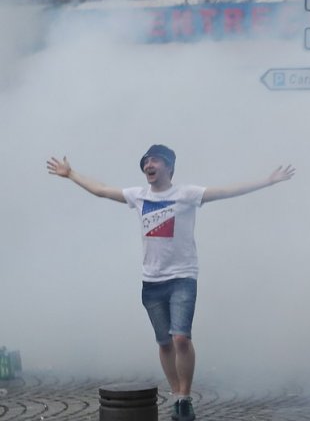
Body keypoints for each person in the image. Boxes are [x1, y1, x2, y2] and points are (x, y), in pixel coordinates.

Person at [47, 144, 295, 421]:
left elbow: (226, 191)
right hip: (151, 281)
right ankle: (176, 394)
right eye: (145, 162)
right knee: (164, 342)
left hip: (182, 278)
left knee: (181, 338)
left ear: (168, 166)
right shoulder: (138, 196)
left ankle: (185, 397)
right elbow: (102, 190)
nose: (148, 165)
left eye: (154, 160)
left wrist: (268, 181)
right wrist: (71, 174)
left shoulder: (186, 194)